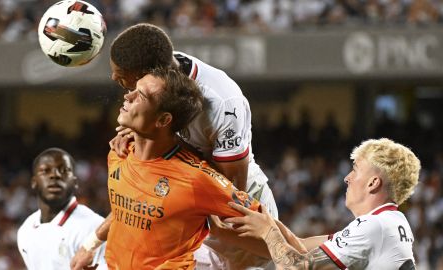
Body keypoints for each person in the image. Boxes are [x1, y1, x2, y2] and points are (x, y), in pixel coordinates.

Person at [108, 22, 278, 269]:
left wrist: (156, 139)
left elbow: (229, 191)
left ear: (149, 73)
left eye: (121, 72)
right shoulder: (160, 81)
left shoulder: (222, 101)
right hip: (190, 198)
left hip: (232, 213)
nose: (114, 77)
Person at [72, 68, 261, 269]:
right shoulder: (119, 153)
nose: (127, 95)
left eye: (141, 96)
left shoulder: (196, 177)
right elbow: (125, 211)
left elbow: (264, 227)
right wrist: (89, 246)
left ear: (163, 120)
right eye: (134, 90)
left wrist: (294, 254)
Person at [225, 138, 420, 269]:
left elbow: (296, 266)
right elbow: (300, 246)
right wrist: (262, 221)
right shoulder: (389, 221)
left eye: (355, 169)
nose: (347, 178)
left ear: (373, 182)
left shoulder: (374, 226)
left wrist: (268, 231)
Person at [17, 148, 107, 269]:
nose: (55, 175)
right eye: (45, 171)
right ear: (34, 182)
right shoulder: (25, 230)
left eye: (64, 170)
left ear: (75, 182)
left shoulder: (94, 227)